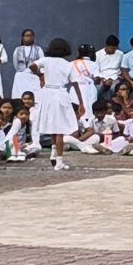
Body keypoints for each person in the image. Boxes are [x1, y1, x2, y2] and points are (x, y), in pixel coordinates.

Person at [32, 38, 85, 169]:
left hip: (47, 93)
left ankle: (53, 152)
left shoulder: (46, 60)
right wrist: (81, 102)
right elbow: (75, 84)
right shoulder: (68, 65)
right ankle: (59, 161)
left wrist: (40, 75)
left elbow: (32, 66)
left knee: (52, 125)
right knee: (60, 129)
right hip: (60, 93)